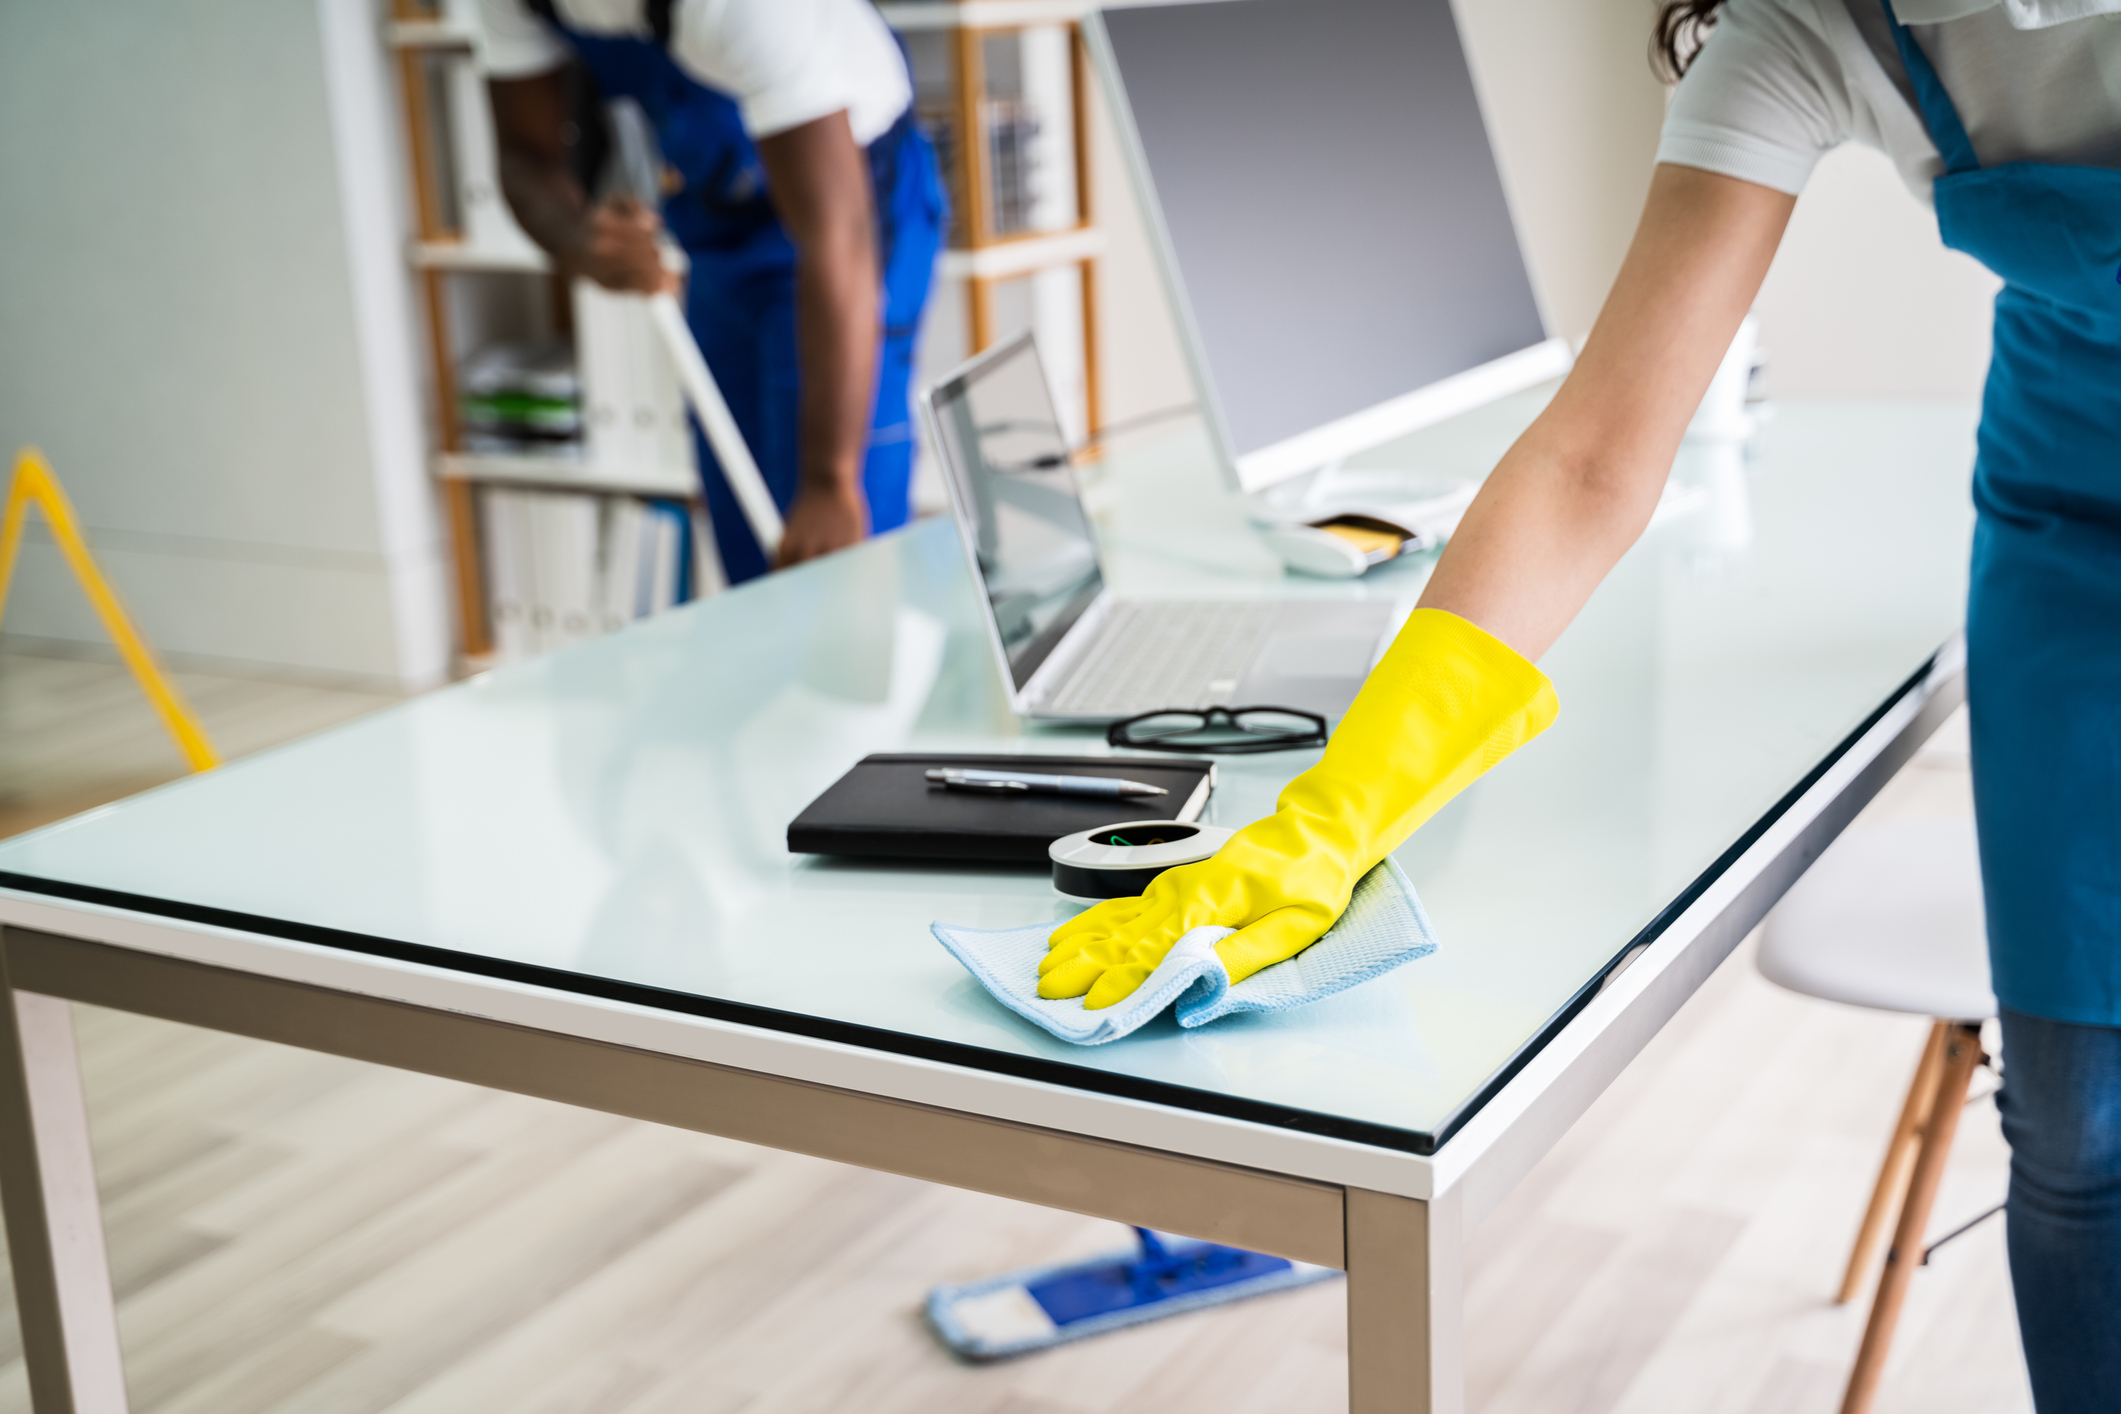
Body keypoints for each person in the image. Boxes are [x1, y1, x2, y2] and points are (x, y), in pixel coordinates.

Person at [1039, 0, 2120, 1406]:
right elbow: (1592, 459)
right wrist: (1330, 816)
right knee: (2078, 1118)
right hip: (2074, 523)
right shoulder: (1807, 32)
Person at [478, 0, 945, 583]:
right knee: (747, 536)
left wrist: (830, 482)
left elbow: (839, 236)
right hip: (720, 220)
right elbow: (524, 155)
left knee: (843, 554)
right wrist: (579, 239)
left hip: (854, 204)